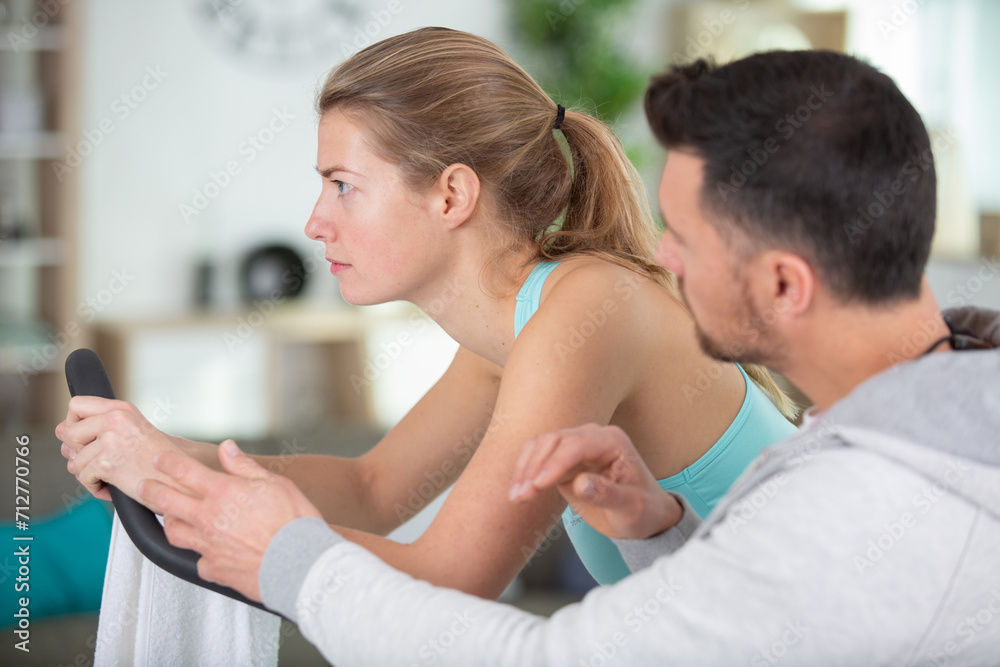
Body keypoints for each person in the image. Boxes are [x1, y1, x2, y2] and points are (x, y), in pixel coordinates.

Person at [137, 48, 1000, 665]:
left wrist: (281, 551)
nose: (661, 261)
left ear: (453, 193)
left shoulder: (880, 501)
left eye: (341, 184)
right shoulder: (893, 444)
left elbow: (495, 618)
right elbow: (753, 606)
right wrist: (657, 530)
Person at [56, 27, 797, 596]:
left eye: (343, 184)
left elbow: (450, 578)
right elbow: (372, 491)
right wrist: (168, 456)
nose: (315, 222)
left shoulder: (587, 311)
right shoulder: (510, 332)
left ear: (451, 195)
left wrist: (172, 484)